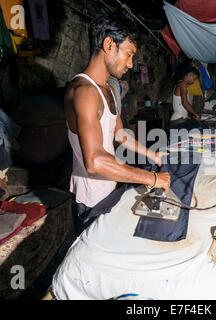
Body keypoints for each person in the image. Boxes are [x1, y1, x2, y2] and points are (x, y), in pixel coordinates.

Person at [64, 12, 170, 228]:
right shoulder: (84, 92)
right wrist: (152, 179)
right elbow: (94, 162)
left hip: (108, 189)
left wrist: (152, 154)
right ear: (109, 44)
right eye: (129, 54)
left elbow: (120, 135)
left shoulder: (108, 90)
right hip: (90, 201)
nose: (131, 64)